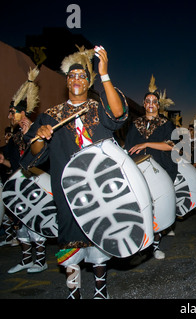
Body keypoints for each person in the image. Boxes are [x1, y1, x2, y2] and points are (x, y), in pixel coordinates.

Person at [21, 45, 128, 299]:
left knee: (101, 233)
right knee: (69, 241)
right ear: (67, 81)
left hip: (100, 185)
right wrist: (41, 136)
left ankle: (101, 290)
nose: (77, 79)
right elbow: (34, 151)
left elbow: (118, 113)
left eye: (82, 76)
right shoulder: (51, 115)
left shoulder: (97, 107)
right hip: (68, 190)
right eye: (72, 76)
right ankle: (74, 293)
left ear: (88, 81)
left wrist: (104, 74)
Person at [1, 67, 49, 274]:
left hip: (34, 182)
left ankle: (40, 261)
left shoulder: (33, 129)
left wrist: (32, 133)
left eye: (13, 112)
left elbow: (41, 157)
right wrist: (3, 161)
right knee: (21, 223)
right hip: (18, 183)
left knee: (34, 220)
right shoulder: (13, 138)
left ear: (22, 112)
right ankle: (26, 259)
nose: (9, 115)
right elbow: (14, 165)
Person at [124, 75, 177, 260]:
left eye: (154, 101)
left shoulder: (166, 124)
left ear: (158, 105)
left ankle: (155, 246)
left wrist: (147, 145)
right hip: (139, 172)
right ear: (144, 104)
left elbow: (171, 145)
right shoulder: (135, 124)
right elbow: (129, 146)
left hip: (161, 169)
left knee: (157, 209)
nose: (151, 103)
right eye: (148, 101)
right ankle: (140, 241)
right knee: (141, 208)